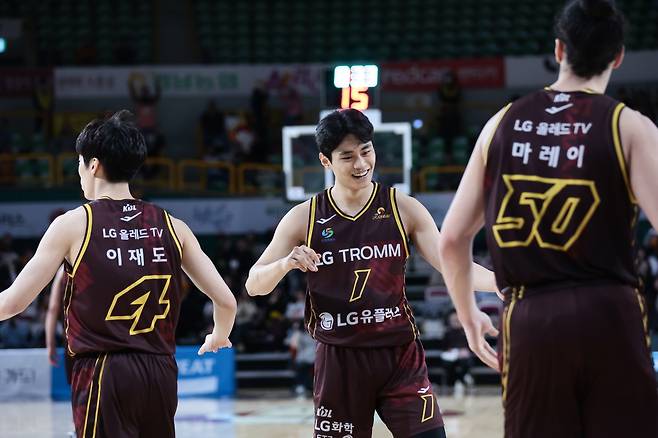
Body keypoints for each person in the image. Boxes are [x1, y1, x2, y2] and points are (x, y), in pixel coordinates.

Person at [438, 1, 658, 437]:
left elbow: (451, 240)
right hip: (610, 312)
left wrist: (468, 316)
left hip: (530, 318)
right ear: (617, 57)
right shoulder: (629, 126)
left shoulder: (500, 124)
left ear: (559, 50)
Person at [246, 108, 498, 438]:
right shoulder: (304, 217)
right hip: (340, 358)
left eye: (366, 151)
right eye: (347, 156)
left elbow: (453, 266)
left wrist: (503, 283)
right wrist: (285, 263)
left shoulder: (402, 207)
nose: (361, 164)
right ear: (326, 161)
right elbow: (254, 284)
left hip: (399, 354)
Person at [0, 110, 237, 438]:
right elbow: (225, 301)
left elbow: (11, 304)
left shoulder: (73, 224)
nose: (79, 172)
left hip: (104, 372)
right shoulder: (173, 226)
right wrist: (219, 335)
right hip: (160, 372)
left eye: (80, 163)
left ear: (93, 165)